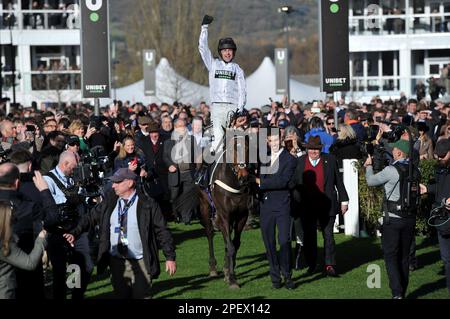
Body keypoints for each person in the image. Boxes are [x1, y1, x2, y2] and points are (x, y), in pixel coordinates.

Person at [65, 168, 176, 299]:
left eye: (117, 182)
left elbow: (162, 230)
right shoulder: (110, 202)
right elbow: (89, 218)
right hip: (117, 263)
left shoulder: (148, 204)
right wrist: (74, 233)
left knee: (142, 295)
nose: (113, 185)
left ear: (129, 183)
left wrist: (169, 257)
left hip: (140, 261)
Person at [364, 139, 420, 299]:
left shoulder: (391, 170)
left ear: (399, 153)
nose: (392, 152)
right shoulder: (415, 170)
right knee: (403, 257)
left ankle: (397, 293)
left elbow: (371, 181)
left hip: (393, 220)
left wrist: (368, 166)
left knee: (390, 256)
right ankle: (402, 291)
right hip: (409, 219)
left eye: (394, 149)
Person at [290, 136, 349, 277]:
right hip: (307, 206)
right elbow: (293, 183)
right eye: (310, 149)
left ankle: (330, 265)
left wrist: (344, 200)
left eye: (316, 149)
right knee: (309, 237)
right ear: (306, 149)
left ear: (320, 149)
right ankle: (312, 264)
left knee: (328, 236)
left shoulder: (330, 160)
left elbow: (338, 182)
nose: (313, 151)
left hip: (326, 205)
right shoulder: (300, 162)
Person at [42, 151, 93, 299]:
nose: (75, 170)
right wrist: (67, 200)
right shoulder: (48, 179)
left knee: (82, 265)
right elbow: (46, 203)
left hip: (75, 229)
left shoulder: (73, 179)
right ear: (65, 164)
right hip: (57, 231)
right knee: (59, 271)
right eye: (73, 167)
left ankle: (75, 295)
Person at [199, 14, 246, 154]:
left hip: (233, 109)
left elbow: (242, 91)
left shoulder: (238, 69)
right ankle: (208, 173)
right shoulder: (213, 64)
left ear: (233, 52)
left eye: (230, 50)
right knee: (218, 144)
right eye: (225, 50)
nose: (227, 53)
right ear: (220, 52)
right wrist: (204, 28)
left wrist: (240, 108)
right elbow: (202, 48)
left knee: (235, 145)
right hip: (217, 108)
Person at [256, 128, 297, 289]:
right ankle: (275, 276)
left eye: (276, 140)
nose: (273, 143)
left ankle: (287, 275)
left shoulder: (289, 159)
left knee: (284, 240)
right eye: (270, 140)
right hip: (266, 205)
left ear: (281, 140)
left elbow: (283, 182)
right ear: (267, 141)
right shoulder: (264, 158)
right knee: (269, 242)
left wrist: (260, 183)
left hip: (282, 205)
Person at [420, 139, 450, 293]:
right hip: (442, 217)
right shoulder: (440, 167)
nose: (439, 158)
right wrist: (428, 189)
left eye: (443, 156)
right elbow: (439, 187)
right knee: (446, 259)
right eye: (438, 156)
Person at [0, 201, 47, 299]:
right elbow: (30, 263)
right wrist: (41, 238)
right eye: (11, 217)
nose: (14, 219)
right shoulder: (3, 244)